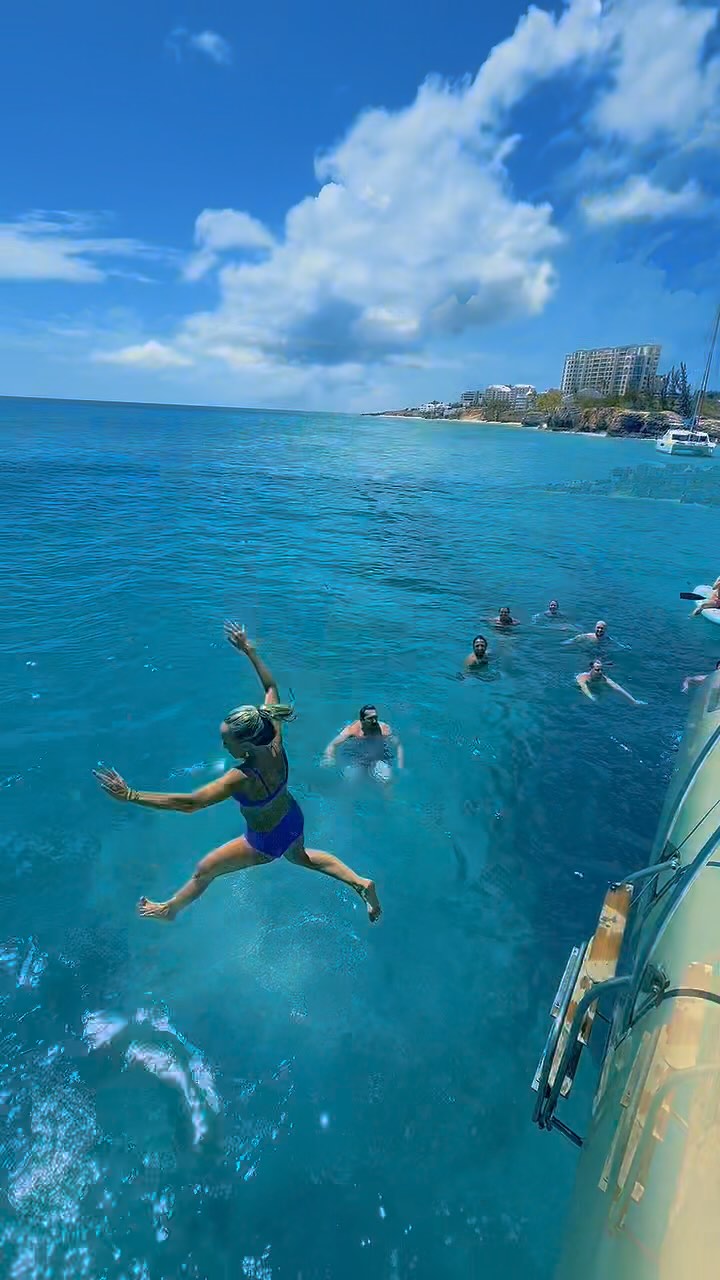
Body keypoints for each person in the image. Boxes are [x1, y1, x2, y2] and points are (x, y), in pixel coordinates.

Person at [93, 623, 381, 924]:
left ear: (245, 744)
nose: (222, 744)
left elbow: (190, 803)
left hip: (265, 839)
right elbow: (271, 689)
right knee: (301, 856)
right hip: (291, 817)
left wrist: (131, 795)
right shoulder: (273, 737)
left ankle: (169, 911)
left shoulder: (242, 777)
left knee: (205, 870)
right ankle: (359, 882)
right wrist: (250, 651)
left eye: (226, 740)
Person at [322, 705, 404, 783]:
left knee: (387, 780)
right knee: (350, 780)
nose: (374, 721)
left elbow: (398, 745)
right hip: (357, 756)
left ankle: (390, 797)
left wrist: (400, 764)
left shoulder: (383, 729)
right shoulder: (353, 729)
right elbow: (332, 745)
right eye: (370, 718)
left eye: (375, 717)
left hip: (378, 756)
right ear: (362, 720)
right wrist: (329, 758)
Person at [576, 659, 647, 706]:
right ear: (591, 669)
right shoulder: (583, 677)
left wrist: (633, 701)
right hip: (581, 688)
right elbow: (584, 688)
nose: (600, 672)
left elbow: (617, 687)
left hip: (594, 687)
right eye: (597, 670)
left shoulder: (603, 678)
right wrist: (592, 698)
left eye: (601, 669)